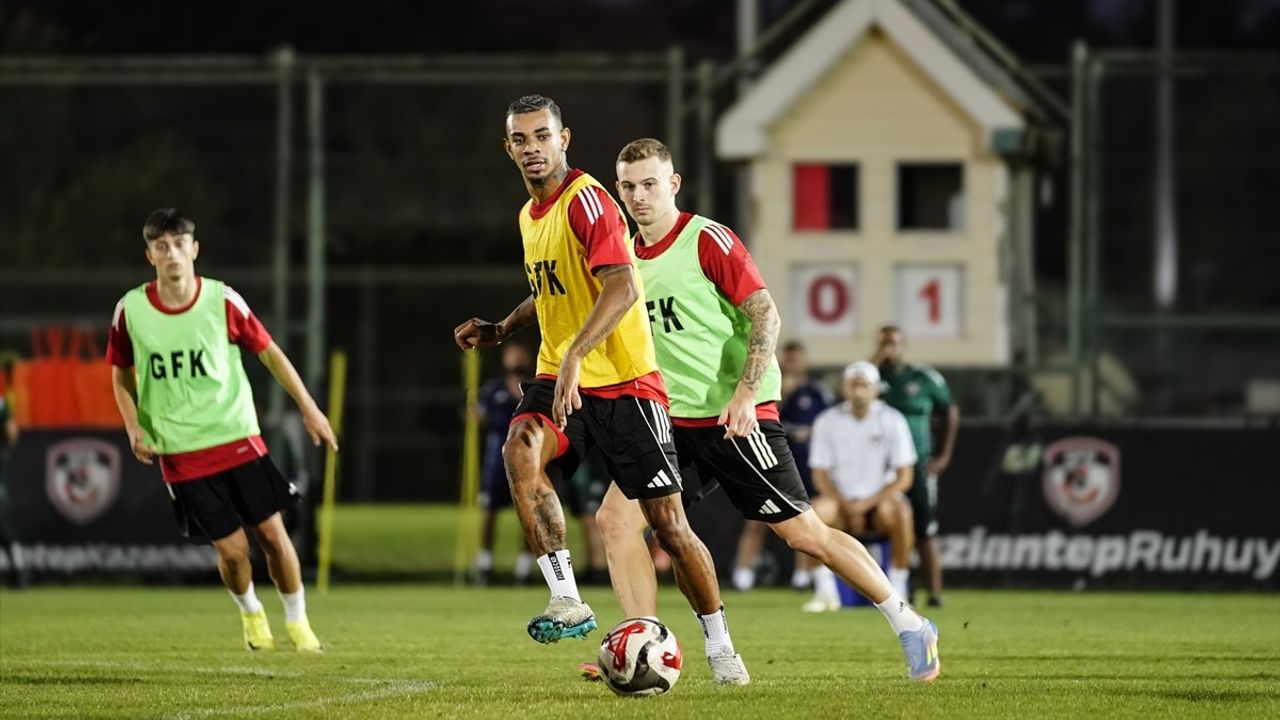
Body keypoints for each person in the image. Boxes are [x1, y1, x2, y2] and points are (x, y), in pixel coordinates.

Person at [589, 138, 939, 683]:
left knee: (804, 534)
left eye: (650, 183)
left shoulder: (707, 239)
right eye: (628, 186)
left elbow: (766, 315)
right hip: (668, 419)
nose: (638, 196)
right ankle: (650, 647)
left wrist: (748, 393)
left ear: (673, 184)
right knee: (616, 520)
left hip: (734, 415)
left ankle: (909, 622)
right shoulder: (622, 259)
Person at [452, 97, 744, 682]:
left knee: (668, 526)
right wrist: (504, 328)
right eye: (521, 139)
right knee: (519, 449)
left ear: (565, 140)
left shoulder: (587, 199)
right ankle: (567, 597)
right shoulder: (529, 216)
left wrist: (577, 356)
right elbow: (553, 288)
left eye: (542, 136)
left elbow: (621, 286)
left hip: (628, 385)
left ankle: (719, 644)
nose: (532, 147)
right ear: (508, 148)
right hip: (562, 378)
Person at [107, 208, 336, 652]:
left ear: (194, 249)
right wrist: (133, 426)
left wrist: (309, 408)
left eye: (178, 244)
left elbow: (270, 353)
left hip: (237, 437)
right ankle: (251, 613)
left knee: (272, 535)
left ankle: (298, 622)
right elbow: (119, 374)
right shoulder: (130, 310)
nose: (171, 252)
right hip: (180, 450)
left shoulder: (222, 300)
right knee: (232, 552)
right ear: (150, 255)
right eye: (161, 246)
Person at [472, 342, 609, 586]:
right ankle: (486, 564)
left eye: (520, 353)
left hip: (542, 457)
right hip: (498, 461)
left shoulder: (537, 387)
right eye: (512, 354)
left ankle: (536, 571)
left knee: (539, 503)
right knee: (491, 511)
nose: (516, 358)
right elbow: (480, 416)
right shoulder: (494, 389)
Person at [805, 361, 917, 610]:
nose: (859, 390)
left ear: (876, 388)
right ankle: (824, 591)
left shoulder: (893, 420)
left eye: (864, 384)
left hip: (879, 505)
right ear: (844, 388)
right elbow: (820, 476)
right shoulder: (827, 421)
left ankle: (899, 587)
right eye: (854, 384)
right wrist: (847, 505)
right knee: (811, 513)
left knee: (901, 511)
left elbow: (904, 477)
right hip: (840, 502)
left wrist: (866, 504)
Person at [731, 340, 834, 591]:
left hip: (807, 465)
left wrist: (810, 433)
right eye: (787, 358)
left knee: (805, 518)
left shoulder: (816, 392)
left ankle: (802, 575)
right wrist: (783, 395)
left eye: (796, 358)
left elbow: (831, 424)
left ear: (805, 361)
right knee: (758, 518)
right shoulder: (768, 385)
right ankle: (743, 572)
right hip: (770, 460)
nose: (792, 363)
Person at [873, 326, 959, 607]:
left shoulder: (923, 378)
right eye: (884, 343)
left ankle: (935, 592)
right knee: (895, 526)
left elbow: (949, 411)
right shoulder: (874, 378)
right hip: (882, 467)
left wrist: (944, 455)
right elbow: (852, 394)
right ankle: (901, 589)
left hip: (918, 463)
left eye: (893, 343)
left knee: (925, 528)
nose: (889, 348)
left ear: (903, 346)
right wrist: (874, 362)